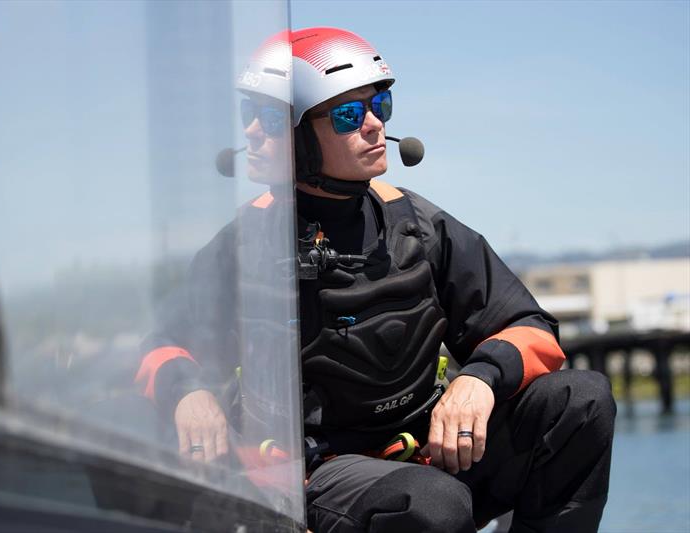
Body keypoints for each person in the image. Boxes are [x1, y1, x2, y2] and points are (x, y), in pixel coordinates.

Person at [136, 27, 616, 532]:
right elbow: (161, 346)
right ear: (296, 133)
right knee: (433, 503)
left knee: (581, 401)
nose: (372, 125)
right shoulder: (243, 245)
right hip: (319, 474)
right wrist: (188, 391)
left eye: (379, 105)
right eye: (348, 114)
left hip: (433, 451)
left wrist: (479, 378)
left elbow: (531, 327)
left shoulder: (420, 225)